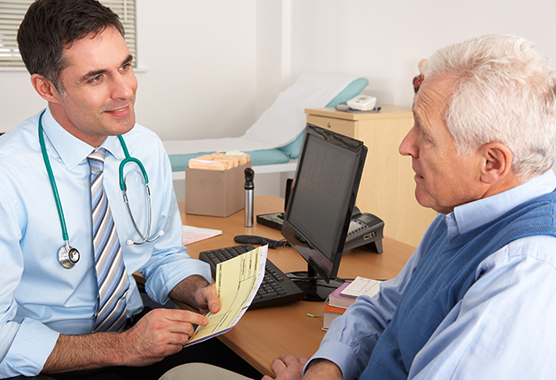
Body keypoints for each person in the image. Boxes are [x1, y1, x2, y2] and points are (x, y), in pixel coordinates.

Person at [174, 33, 556, 380]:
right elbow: (385, 306)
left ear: (491, 163)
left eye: (425, 133)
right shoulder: (461, 214)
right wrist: (326, 369)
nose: (406, 146)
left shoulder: (526, 272)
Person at [0, 0, 226, 378]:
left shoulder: (143, 147)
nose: (125, 91)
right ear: (47, 88)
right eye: (96, 77)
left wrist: (194, 286)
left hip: (136, 332)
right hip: (47, 361)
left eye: (125, 65)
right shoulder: (8, 175)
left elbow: (161, 254)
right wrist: (122, 348)